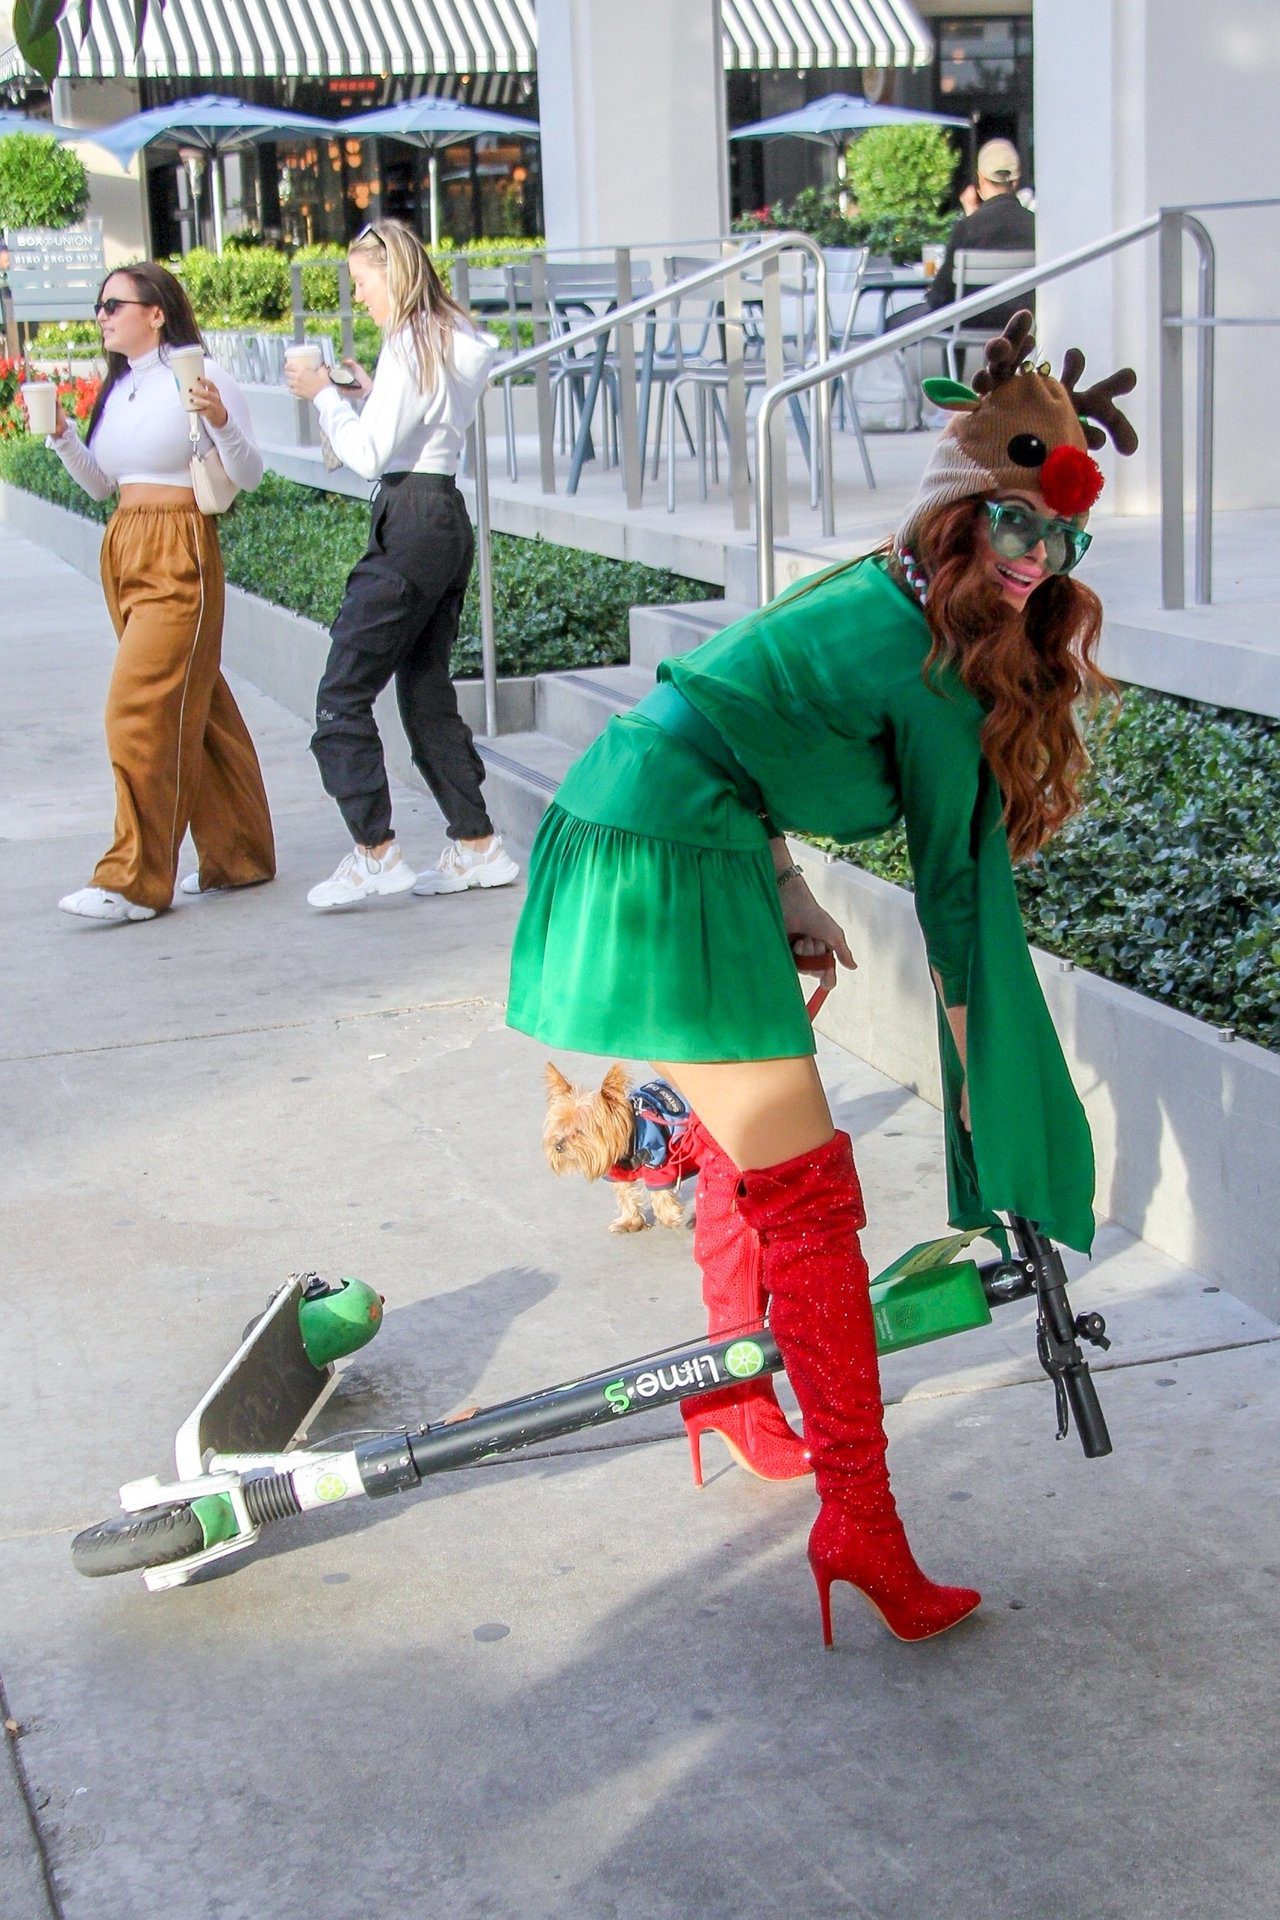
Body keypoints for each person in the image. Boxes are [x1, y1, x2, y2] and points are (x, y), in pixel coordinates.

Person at [507, 312, 1138, 1647]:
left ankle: (735, 1401)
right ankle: (860, 1522)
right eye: (1013, 524)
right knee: (808, 1195)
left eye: (1062, 539)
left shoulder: (884, 593)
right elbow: (956, 899)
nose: (1036, 560)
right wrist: (972, 1072)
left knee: (752, 1158)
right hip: (665, 848)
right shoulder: (931, 664)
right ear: (954, 517)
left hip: (677, 824)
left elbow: (725, 709)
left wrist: (786, 885)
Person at [285, 219, 518, 911]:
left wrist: (323, 395)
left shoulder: (411, 343)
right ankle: (477, 845)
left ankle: (375, 853)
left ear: (393, 274)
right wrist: (363, 395)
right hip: (442, 516)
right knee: (422, 690)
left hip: (411, 521)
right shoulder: (445, 338)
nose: (358, 297)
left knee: (341, 694)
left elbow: (367, 456)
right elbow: (419, 425)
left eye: (362, 282)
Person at [39, 263, 275, 923]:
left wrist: (220, 418)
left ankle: (134, 881)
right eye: (99, 305)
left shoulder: (199, 375)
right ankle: (241, 854)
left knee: (138, 709)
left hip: (180, 545)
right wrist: (62, 437)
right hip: (125, 545)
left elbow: (249, 472)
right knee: (196, 701)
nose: (102, 315)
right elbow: (101, 484)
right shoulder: (121, 387)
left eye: (114, 304)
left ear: (156, 312)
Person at [891, 138, 1035, 339]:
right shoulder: (1036, 226)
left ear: (981, 178)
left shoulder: (967, 227)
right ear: (1016, 181)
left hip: (968, 320)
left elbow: (940, 296)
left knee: (891, 325)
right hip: (1021, 321)